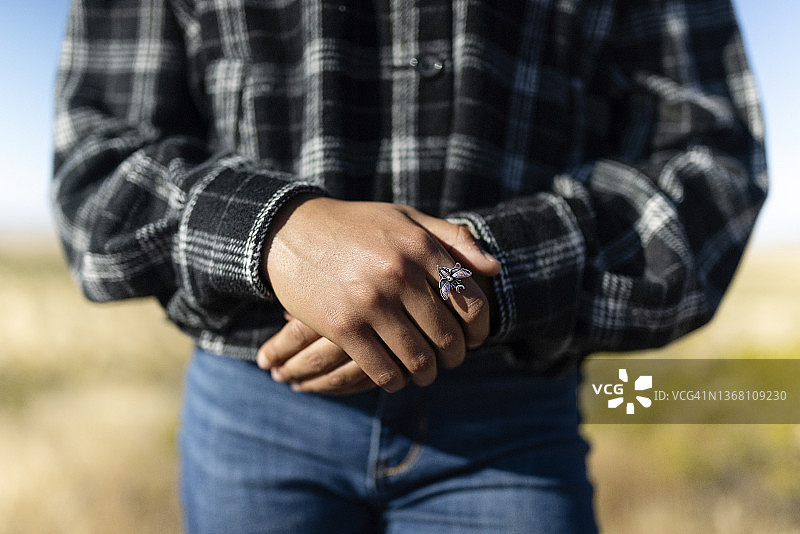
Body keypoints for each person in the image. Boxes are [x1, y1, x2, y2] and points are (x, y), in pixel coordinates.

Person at [52, 0, 767, 532]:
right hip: (257, 404)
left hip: (506, 423)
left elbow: (710, 170)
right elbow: (95, 166)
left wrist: (488, 273)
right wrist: (272, 231)